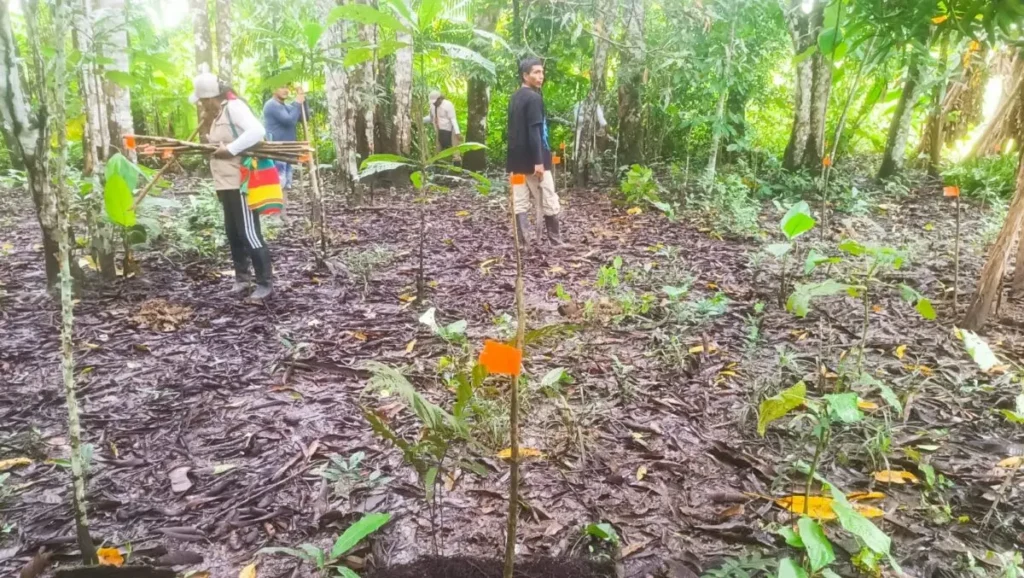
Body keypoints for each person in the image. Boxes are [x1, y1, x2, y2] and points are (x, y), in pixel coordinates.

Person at [191, 72, 273, 300]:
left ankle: (265, 284)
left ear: (209, 98)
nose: (200, 105)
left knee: (249, 232)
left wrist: (230, 149)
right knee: (233, 232)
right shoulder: (217, 114)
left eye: (201, 100)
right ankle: (242, 278)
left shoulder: (234, 107)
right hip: (225, 183)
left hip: (241, 182)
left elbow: (257, 132)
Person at [506, 58, 567, 249]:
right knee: (549, 198)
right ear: (525, 75)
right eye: (536, 72)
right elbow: (534, 131)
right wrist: (539, 162)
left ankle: (524, 243)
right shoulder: (534, 98)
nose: (541, 76)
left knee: (520, 199)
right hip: (534, 162)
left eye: (542, 72)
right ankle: (555, 241)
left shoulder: (515, 97)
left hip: (516, 163)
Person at [263, 84, 307, 190]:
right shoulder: (272, 105)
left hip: (287, 152)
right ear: (274, 89)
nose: (286, 90)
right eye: (282, 87)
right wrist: (297, 102)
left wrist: (302, 99)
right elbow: (290, 121)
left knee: (286, 185)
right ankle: (278, 206)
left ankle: (284, 207)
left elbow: (304, 117)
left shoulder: (286, 106)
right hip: (278, 152)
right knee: (279, 184)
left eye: (287, 87)